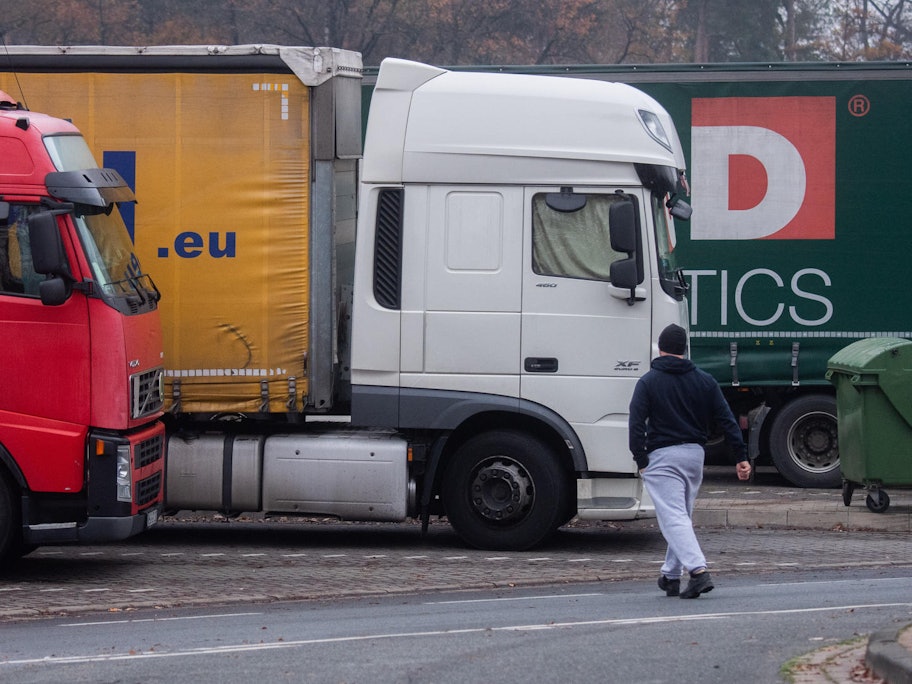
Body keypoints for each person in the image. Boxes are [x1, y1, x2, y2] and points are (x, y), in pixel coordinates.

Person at [629, 323, 751, 599]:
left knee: (672, 517)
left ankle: (698, 572)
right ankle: (670, 576)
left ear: (660, 349)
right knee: (680, 515)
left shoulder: (648, 381)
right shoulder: (704, 380)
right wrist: (741, 457)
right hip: (695, 455)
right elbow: (726, 420)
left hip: (662, 456)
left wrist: (640, 458)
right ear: (684, 350)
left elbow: (636, 423)